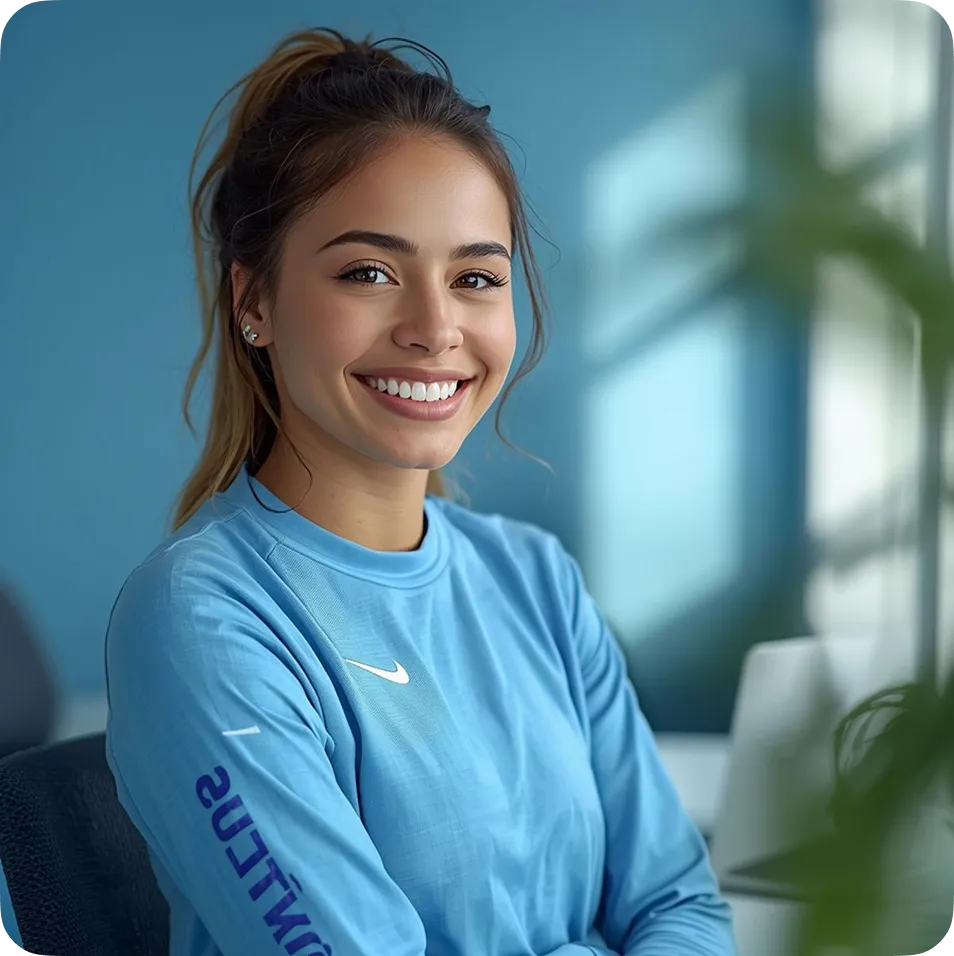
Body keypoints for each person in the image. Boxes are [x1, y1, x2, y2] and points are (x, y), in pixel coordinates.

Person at [104, 26, 737, 956]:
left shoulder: (538, 581)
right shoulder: (202, 619)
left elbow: (683, 910)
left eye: (475, 277)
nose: (436, 328)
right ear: (254, 302)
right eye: (369, 272)